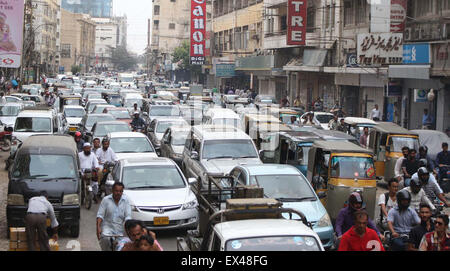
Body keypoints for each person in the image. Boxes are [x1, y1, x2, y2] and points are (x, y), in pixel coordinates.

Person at [96, 182, 131, 251]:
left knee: (125, 246)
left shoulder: (126, 200)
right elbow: (100, 215)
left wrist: (128, 228)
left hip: (120, 229)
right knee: (105, 240)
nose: (118, 193)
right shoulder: (106, 200)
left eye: (120, 191)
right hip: (107, 228)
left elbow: (128, 216)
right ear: (112, 190)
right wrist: (98, 227)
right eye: (116, 191)